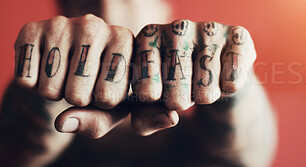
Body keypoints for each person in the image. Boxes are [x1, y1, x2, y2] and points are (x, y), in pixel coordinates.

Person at [0, 0, 277, 166]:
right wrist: (49, 81)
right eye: (86, 0)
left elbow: (247, 150)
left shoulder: (196, 142)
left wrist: (228, 74)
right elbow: (16, 147)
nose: (108, 13)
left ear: (163, 9)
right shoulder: (33, 134)